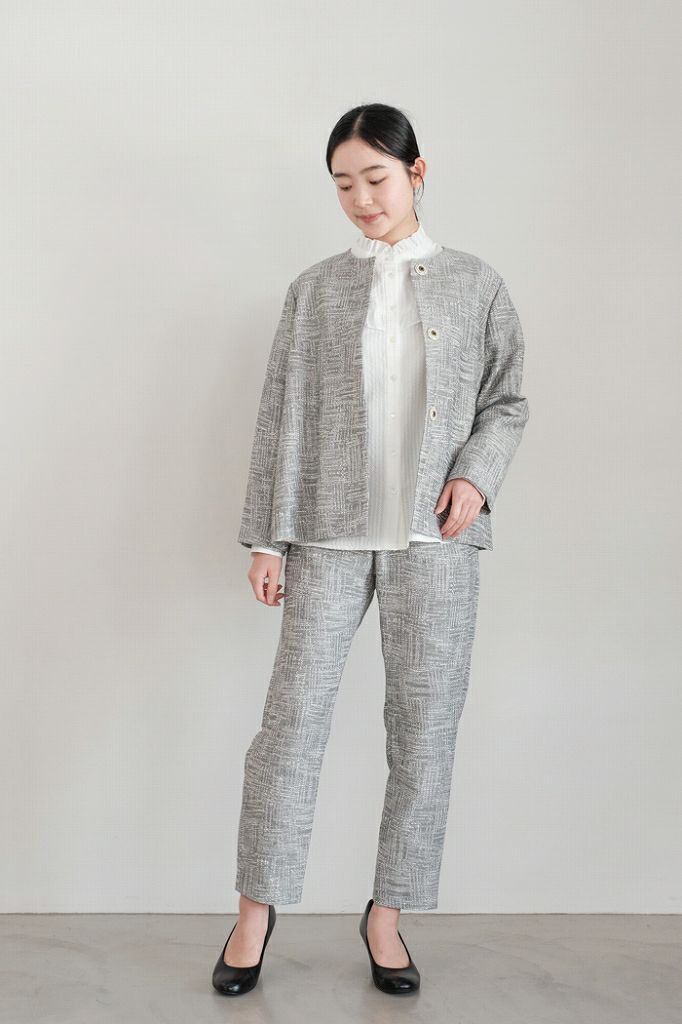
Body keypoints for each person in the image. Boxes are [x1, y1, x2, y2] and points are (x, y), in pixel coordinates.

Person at [212, 102, 530, 997]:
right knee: (291, 724)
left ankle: (387, 917)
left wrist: (476, 478)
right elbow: (280, 417)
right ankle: (254, 912)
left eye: (376, 179)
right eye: (343, 184)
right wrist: (267, 538)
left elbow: (507, 401)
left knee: (424, 731)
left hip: (438, 540)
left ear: (417, 173)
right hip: (328, 533)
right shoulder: (314, 291)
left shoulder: (476, 284)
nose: (361, 199)